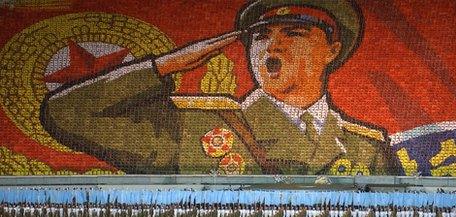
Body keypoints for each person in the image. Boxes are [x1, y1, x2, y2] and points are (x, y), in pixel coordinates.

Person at [41, 0, 394, 176]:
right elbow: (64, 114)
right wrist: (165, 65)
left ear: (331, 50)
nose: (272, 47)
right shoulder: (193, 126)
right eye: (260, 36)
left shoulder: (365, 148)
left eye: (294, 34)